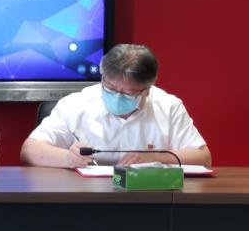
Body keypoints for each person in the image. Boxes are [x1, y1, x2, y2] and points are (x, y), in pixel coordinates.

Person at [20, 43, 210, 168]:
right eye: (110, 88)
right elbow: (29, 151)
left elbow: (203, 158)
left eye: (127, 93)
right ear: (103, 77)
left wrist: (155, 158)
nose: (117, 97)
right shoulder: (75, 104)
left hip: (148, 199)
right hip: (86, 199)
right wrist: (68, 159)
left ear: (147, 89)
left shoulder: (168, 106)